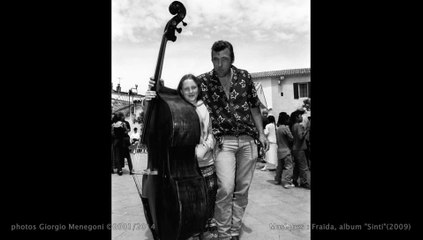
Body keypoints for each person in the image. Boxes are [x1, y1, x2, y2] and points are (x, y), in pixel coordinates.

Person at [197, 40, 269, 240]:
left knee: (242, 190)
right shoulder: (203, 81)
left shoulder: (244, 76)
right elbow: (184, 92)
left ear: (232, 59)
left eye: (224, 59)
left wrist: (261, 134)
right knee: (226, 188)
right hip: (224, 142)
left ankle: (235, 231)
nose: (219, 64)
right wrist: (157, 88)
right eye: (215, 59)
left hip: (248, 140)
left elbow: (254, 107)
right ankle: (224, 233)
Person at [145, 74, 218, 239]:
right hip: (180, 166)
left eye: (194, 87)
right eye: (186, 88)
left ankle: (204, 229)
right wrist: (151, 95)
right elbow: (154, 120)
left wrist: (205, 148)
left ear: (199, 89)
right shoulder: (174, 107)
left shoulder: (206, 107)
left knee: (206, 202)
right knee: (186, 206)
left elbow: (213, 134)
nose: (191, 91)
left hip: (205, 162)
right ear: (181, 91)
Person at [289, 109, 310, 189]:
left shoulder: (294, 125)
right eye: (300, 116)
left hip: (295, 149)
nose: (301, 117)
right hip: (300, 149)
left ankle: (294, 180)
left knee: (297, 166)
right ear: (297, 117)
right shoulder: (298, 125)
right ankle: (304, 183)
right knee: (303, 167)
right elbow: (300, 137)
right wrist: (306, 130)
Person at [274, 112, 294, 188]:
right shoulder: (285, 128)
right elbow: (291, 138)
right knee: (289, 167)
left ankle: (277, 180)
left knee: (279, 167)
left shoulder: (278, 129)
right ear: (285, 120)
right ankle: (287, 182)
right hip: (286, 150)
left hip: (279, 150)